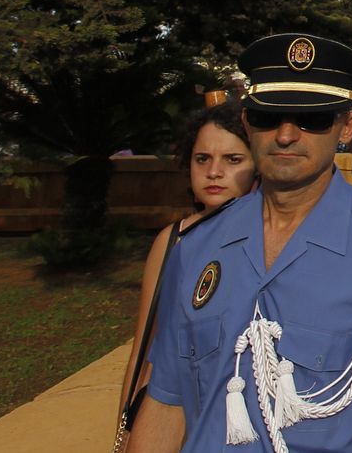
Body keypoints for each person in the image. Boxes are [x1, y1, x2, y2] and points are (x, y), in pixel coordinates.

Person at [129, 33, 352, 453]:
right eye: (268, 117)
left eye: (312, 119)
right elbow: (166, 400)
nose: (286, 135)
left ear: (348, 126)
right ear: (248, 123)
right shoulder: (197, 247)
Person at [117, 105, 256, 450]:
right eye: (202, 159)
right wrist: (125, 430)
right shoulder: (172, 241)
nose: (214, 172)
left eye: (233, 159)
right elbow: (143, 351)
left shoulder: (269, 241)